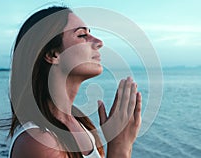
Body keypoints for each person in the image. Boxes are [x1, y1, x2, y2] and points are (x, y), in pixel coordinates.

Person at [8, 6, 142, 158]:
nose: (99, 42)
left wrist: (125, 141)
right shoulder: (39, 143)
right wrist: (119, 148)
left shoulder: (81, 124)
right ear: (53, 54)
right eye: (82, 35)